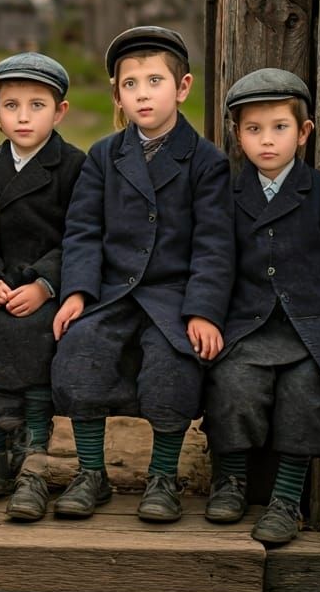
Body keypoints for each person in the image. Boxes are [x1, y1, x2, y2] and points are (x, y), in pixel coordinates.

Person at [51, 26, 234, 520]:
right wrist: (77, 293)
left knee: (173, 363)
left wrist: (203, 311)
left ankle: (162, 477)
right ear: (117, 95)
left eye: (155, 81)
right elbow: (83, 231)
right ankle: (91, 472)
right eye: (130, 85)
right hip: (112, 292)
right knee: (81, 348)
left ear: (183, 87)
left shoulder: (206, 162)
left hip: (173, 295)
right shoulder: (105, 156)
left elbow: (214, 245)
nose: (142, 94)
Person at [204, 68, 320, 544]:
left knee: (306, 392)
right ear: (237, 135)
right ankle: (231, 481)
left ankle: (285, 499)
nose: (266, 141)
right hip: (247, 328)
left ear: (303, 132)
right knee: (233, 383)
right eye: (253, 130)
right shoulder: (226, 195)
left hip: (311, 332)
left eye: (279, 128)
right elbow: (212, 261)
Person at [0, 53, 86, 518]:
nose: (23, 117)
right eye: (11, 106)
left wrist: (47, 284)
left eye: (37, 105)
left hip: (45, 287)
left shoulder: (74, 167)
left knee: (40, 330)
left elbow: (80, 234)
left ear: (60, 112)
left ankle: (34, 447)